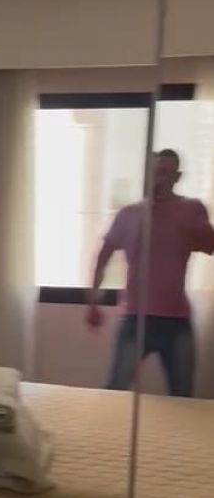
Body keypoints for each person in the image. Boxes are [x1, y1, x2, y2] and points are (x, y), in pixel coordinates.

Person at [86, 148, 214, 396]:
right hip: (134, 318)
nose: (160, 178)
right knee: (114, 391)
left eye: (166, 173)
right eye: (156, 172)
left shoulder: (191, 209)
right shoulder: (128, 214)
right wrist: (92, 302)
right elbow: (103, 257)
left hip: (177, 320)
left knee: (183, 397)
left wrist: (183, 225)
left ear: (177, 177)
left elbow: (210, 246)